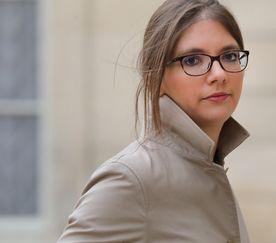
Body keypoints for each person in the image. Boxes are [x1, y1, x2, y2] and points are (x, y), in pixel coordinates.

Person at [58, 0, 250, 242]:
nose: (219, 74)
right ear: (156, 79)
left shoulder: (211, 167)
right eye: (192, 60)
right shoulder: (131, 179)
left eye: (230, 55)